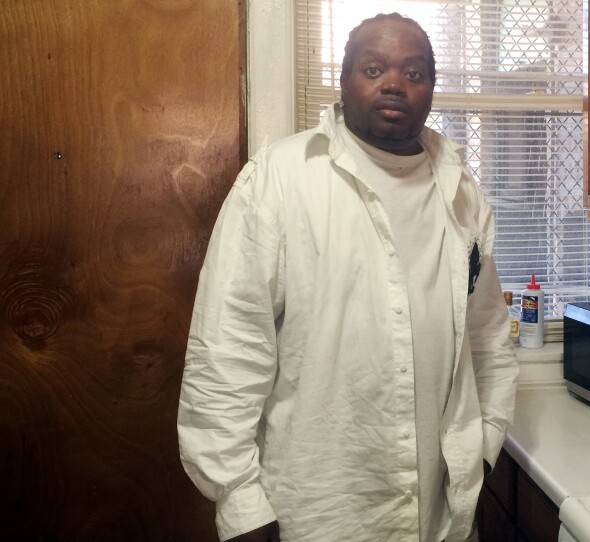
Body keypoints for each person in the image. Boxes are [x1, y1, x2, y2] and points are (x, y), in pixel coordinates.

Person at [177, 12, 518, 542]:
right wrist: (240, 503)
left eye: (415, 72)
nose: (394, 85)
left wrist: (486, 440)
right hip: (317, 509)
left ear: (431, 87)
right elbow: (227, 348)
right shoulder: (280, 179)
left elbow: (488, 335)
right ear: (344, 79)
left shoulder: (461, 191)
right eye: (374, 67)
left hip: (439, 514)